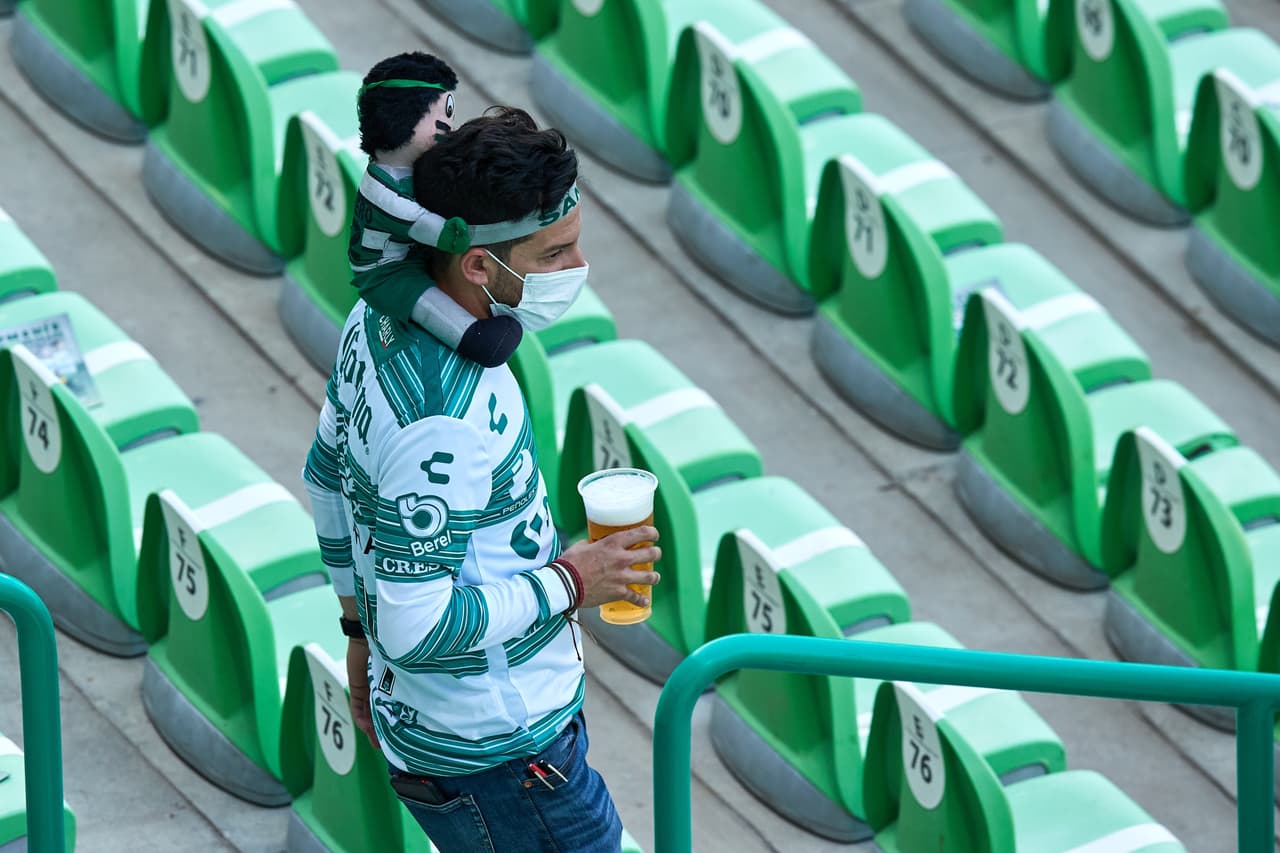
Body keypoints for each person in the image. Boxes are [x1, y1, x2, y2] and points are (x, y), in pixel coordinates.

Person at [302, 106, 660, 853]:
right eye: (555, 252)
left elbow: (326, 472)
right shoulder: (446, 423)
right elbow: (419, 623)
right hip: (507, 760)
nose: (577, 269)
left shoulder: (380, 315)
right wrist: (572, 580)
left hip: (472, 735)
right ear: (477, 265)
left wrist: (355, 627)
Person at [351, 51, 522, 367]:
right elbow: (426, 225)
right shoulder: (381, 191)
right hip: (384, 272)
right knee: (423, 299)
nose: (449, 126)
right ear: (404, 119)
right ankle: (473, 338)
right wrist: (460, 233)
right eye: (444, 114)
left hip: (410, 250)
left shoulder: (412, 165)